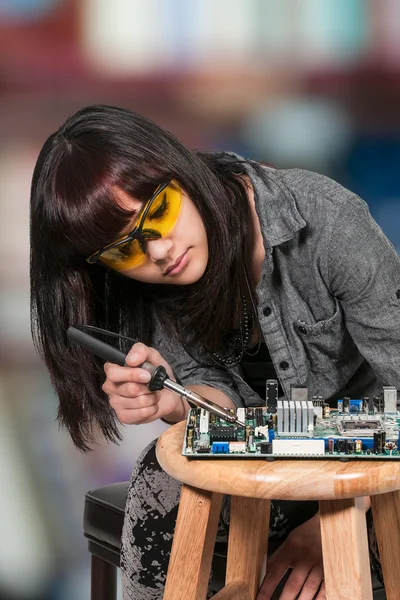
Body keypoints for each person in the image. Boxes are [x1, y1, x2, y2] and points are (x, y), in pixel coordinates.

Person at [30, 104, 400, 600]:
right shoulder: (151, 285)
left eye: (158, 212)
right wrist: (177, 400)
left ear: (179, 168)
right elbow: (225, 407)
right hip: (266, 453)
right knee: (161, 475)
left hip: (373, 453)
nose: (158, 251)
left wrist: (338, 513)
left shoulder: (327, 220)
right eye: (126, 250)